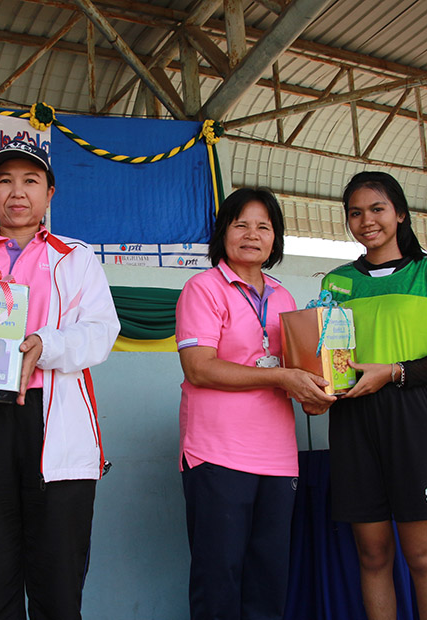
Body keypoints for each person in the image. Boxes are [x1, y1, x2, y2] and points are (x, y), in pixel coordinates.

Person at [0, 140, 120, 620]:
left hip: (52, 427)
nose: (17, 192)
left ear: (49, 193)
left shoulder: (76, 258)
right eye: (5, 181)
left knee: (58, 591)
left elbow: (101, 332)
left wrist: (44, 344)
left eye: (30, 181)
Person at [174, 187, 336, 620]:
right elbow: (199, 368)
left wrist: (314, 396)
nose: (252, 235)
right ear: (223, 233)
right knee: (219, 580)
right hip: (217, 453)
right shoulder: (203, 288)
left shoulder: (284, 298)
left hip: (278, 459)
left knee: (268, 580)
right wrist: (281, 376)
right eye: (240, 224)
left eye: (263, 227)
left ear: (275, 238)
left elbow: (297, 372)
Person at [319, 171, 427, 620]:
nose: (366, 220)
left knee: (422, 555)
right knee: (372, 554)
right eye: (355, 213)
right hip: (352, 420)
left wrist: (394, 372)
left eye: (377, 209)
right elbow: (325, 353)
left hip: (410, 415)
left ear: (400, 213)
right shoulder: (336, 282)